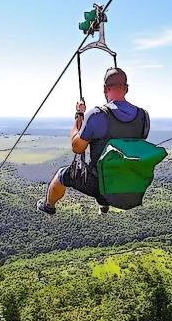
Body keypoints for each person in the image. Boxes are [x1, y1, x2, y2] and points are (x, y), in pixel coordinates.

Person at [37, 67, 150, 215]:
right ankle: (104, 205)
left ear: (105, 89)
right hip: (128, 181)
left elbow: (77, 147)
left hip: (100, 184)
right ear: (126, 88)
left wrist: (79, 115)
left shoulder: (98, 115)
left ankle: (48, 206)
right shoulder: (143, 116)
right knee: (108, 169)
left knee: (61, 175)